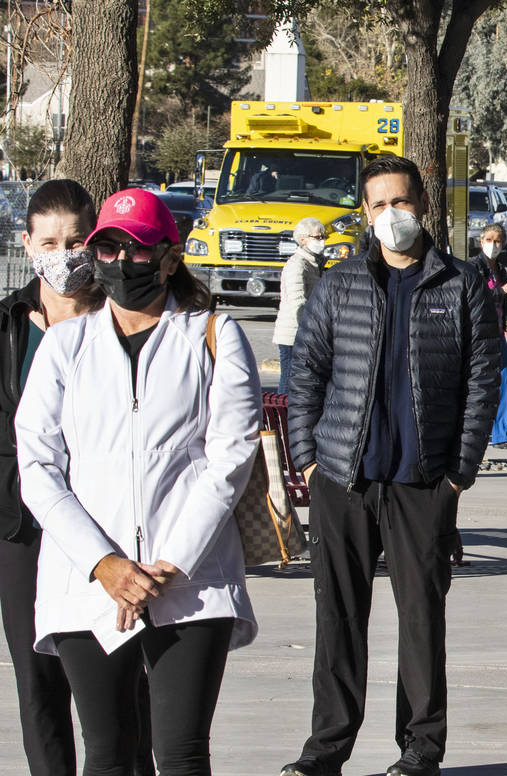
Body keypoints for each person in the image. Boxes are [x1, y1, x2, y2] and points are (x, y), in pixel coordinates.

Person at [15, 187, 261, 775]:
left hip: (189, 579)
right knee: (107, 751)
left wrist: (169, 563)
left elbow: (231, 457)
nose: (121, 262)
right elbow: (39, 465)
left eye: (138, 249)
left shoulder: (213, 335)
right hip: (86, 580)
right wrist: (105, 564)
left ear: (170, 257)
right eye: (108, 247)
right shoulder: (66, 345)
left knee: (179, 753)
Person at [282, 155, 500, 776]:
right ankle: (326, 749)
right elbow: (307, 374)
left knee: (421, 623)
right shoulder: (340, 284)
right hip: (344, 480)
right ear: (365, 213)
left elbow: (483, 381)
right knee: (339, 619)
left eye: (400, 202)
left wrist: (460, 468)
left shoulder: (460, 286)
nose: (390, 215)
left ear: (423, 205)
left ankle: (420, 750)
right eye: (378, 205)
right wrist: (309, 459)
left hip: (423, 481)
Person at [0, 180, 118, 776]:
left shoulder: (119, 322)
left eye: (75, 240)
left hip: (104, 525)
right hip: (22, 528)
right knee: (37, 680)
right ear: (27, 243)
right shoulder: (9, 325)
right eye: (49, 241)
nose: (63, 253)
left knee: (113, 673)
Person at [469, 223, 507, 450]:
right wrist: (500, 291)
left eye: (498, 241)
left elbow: (500, 304)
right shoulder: (474, 267)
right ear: (481, 242)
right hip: (479, 335)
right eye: (490, 240)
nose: (494, 245)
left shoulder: (499, 268)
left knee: (505, 381)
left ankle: (502, 434)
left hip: (497, 332)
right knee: (476, 385)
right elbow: (476, 296)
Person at [273, 216, 325, 394]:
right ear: (303, 239)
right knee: (288, 381)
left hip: (303, 332)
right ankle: (280, 419)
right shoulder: (297, 264)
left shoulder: (313, 263)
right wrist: (309, 330)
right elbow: (298, 303)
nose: (322, 241)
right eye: (317, 237)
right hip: (292, 334)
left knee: (300, 382)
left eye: (322, 237)